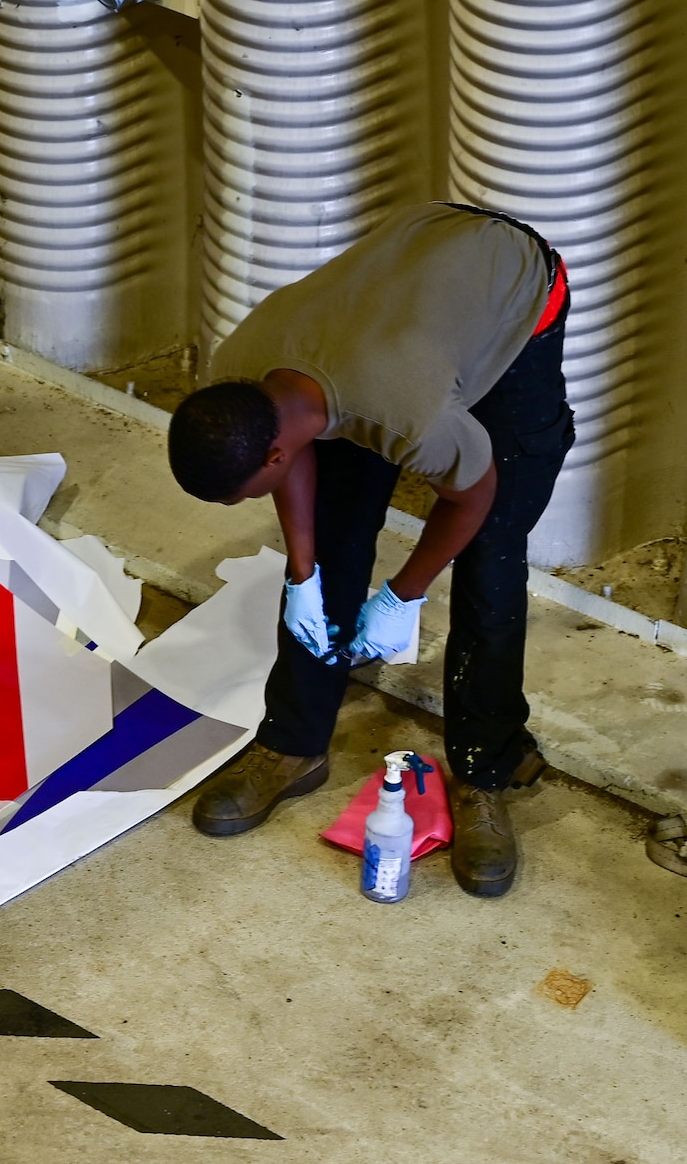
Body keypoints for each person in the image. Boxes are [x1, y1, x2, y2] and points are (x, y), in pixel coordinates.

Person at [168, 201, 568, 898]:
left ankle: (486, 768)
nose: (242, 505)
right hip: (402, 291)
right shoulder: (240, 373)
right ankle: (293, 743)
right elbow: (292, 460)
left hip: (511, 289)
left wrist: (402, 593)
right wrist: (302, 572)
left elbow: (472, 493)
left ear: (269, 450)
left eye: (240, 493)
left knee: (492, 552)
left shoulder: (401, 407)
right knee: (336, 524)